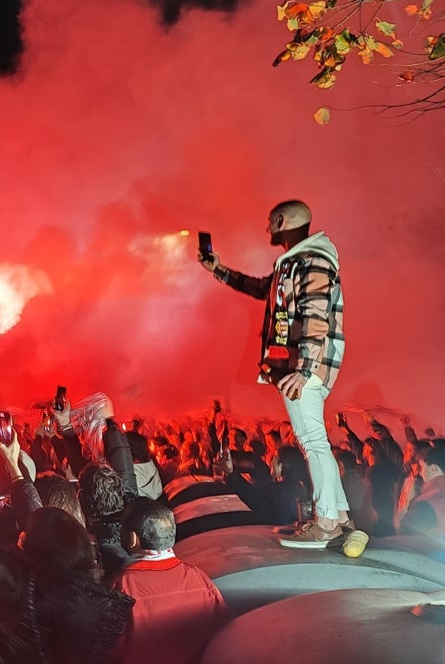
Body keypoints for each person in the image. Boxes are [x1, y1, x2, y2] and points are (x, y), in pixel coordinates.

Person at [200, 199, 351, 547]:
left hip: (303, 365)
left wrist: (305, 368)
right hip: (297, 364)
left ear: (282, 221)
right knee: (314, 441)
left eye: (270, 223)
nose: (267, 229)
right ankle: (339, 516)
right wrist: (219, 270)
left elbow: (316, 314)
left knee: (312, 442)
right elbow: (261, 289)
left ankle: (326, 521)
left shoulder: (312, 260)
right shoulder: (295, 263)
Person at [112, 498, 227, 664]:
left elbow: (109, 649)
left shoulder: (122, 586)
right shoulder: (199, 577)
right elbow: (225, 632)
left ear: (132, 538)